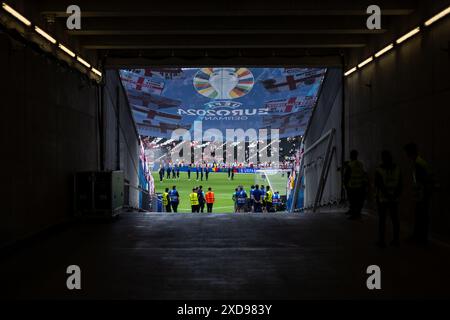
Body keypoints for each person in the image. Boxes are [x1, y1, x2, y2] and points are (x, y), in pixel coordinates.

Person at [404, 143, 433, 245]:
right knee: (419, 216)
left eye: (407, 152)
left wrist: (419, 192)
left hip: (422, 194)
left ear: (411, 152)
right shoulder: (419, 161)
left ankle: (422, 238)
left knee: (422, 216)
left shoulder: (418, 163)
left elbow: (422, 180)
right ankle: (418, 236)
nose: (406, 154)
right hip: (421, 193)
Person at [374, 151, 402, 247]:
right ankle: (396, 240)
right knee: (395, 220)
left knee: (382, 220)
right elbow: (400, 184)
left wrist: (386, 196)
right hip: (394, 199)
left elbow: (379, 185)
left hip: (383, 199)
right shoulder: (397, 169)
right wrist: (394, 196)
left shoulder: (379, 170)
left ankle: (382, 241)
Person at [344, 150, 368, 220]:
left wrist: (345, 185)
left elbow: (347, 176)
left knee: (353, 201)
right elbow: (363, 173)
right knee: (358, 201)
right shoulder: (360, 164)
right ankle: (357, 213)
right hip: (360, 185)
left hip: (352, 186)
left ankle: (354, 214)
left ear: (351, 156)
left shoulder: (350, 165)